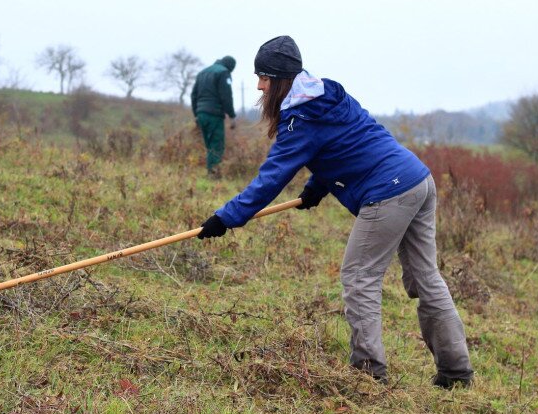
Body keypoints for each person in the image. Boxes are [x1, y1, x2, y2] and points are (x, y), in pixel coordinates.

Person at [196, 36, 474, 388]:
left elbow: (270, 179)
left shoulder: (300, 119)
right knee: (426, 277)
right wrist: (316, 188)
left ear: (281, 80)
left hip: (388, 191)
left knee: (359, 276)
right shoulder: (326, 92)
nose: (259, 85)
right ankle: (456, 373)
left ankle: (368, 373)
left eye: (264, 77)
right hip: (418, 179)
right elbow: (346, 142)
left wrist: (225, 217)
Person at [191, 56, 237, 178]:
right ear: (230, 66)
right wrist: (232, 116)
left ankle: (210, 171)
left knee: (209, 145)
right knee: (216, 145)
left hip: (201, 113)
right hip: (214, 114)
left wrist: (196, 114)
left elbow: (193, 95)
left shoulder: (202, 72)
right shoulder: (223, 72)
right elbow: (226, 96)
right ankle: (214, 174)